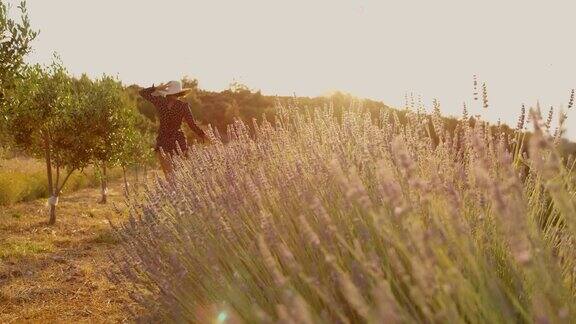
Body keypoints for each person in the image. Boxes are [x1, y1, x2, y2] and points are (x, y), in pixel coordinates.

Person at [139, 80, 208, 181]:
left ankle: (174, 194)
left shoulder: (159, 101)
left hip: (163, 140)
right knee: (178, 176)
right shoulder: (183, 106)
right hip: (178, 140)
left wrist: (156, 88)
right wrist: (203, 135)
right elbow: (192, 125)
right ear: (179, 92)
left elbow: (142, 93)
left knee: (169, 177)